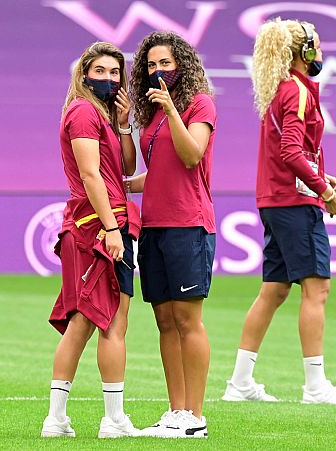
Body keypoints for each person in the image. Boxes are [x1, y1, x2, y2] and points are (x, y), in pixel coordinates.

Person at [221, 19, 336, 405]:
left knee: (274, 290)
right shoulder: (296, 91)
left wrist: (320, 174)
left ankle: (240, 383)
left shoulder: (282, 91)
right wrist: (323, 191)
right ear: (307, 51)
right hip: (294, 202)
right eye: (319, 47)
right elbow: (291, 153)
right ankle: (315, 387)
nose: (322, 54)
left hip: (276, 199)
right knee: (317, 289)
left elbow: (293, 151)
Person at [40, 41, 141, 439]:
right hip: (100, 227)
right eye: (100, 71)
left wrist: (124, 124)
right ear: (83, 75)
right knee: (114, 323)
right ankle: (113, 420)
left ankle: (56, 420)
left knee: (81, 323)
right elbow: (91, 175)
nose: (109, 79)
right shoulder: (83, 112)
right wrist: (113, 228)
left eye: (115, 72)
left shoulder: (100, 114)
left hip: (94, 223)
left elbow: (126, 168)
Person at [127, 31, 216, 438]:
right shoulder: (151, 113)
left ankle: (195, 415)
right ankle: (175, 411)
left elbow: (191, 154)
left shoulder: (199, 104)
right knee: (164, 320)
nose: (158, 70)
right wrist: (128, 185)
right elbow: (161, 169)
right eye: (151, 65)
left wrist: (172, 111)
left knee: (187, 319)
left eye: (165, 63)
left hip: (188, 224)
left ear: (182, 64)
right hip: (154, 225)